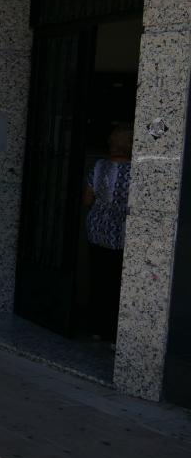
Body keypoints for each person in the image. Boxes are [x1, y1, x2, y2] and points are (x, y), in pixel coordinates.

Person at [83, 123, 132, 341]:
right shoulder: (137, 170)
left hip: (97, 227)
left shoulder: (99, 166)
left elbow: (87, 199)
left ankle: (96, 327)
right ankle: (114, 333)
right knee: (118, 282)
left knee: (99, 277)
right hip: (121, 232)